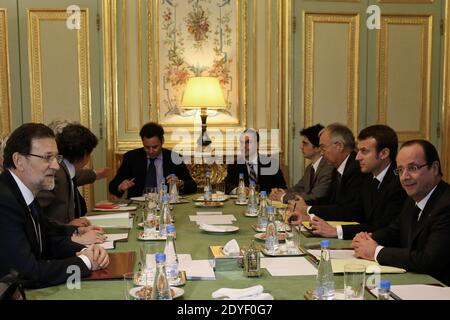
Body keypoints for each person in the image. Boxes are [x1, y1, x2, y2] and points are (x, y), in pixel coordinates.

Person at [0, 123, 109, 288]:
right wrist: (85, 262)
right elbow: (27, 273)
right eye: (47, 157)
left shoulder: (23, 192)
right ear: (19, 161)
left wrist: (87, 250)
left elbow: (47, 241)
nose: (56, 166)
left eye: (56, 158)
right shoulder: (4, 201)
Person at [352, 140, 450, 285]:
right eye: (400, 170)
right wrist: (367, 239)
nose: (405, 177)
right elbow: (395, 231)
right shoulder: (413, 198)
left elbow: (428, 260)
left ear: (434, 168)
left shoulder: (446, 205)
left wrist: (376, 252)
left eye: (413, 168)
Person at [310, 125, 407, 239]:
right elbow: (355, 212)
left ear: (384, 153)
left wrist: (337, 231)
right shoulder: (367, 177)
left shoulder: (399, 182)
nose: (357, 157)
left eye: (364, 151)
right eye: (358, 150)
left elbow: (384, 227)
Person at [36, 124, 107, 245]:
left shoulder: (66, 170)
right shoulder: (56, 174)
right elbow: (36, 213)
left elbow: (79, 176)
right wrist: (67, 226)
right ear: (85, 154)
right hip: (54, 244)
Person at [288, 123, 368, 222]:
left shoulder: (356, 168)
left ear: (339, 146)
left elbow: (349, 211)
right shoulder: (337, 168)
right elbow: (328, 200)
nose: (321, 153)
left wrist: (308, 209)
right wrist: (304, 207)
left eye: (323, 147)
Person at [109, 122, 197, 198]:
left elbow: (192, 186)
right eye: (147, 147)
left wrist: (180, 184)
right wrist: (120, 187)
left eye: (155, 147)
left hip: (167, 204)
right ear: (142, 142)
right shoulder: (131, 157)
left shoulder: (174, 157)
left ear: (162, 141)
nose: (151, 151)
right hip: (140, 206)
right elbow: (112, 187)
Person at [269, 124, 333, 204]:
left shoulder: (328, 168)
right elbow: (298, 188)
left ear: (318, 148)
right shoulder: (310, 168)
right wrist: (280, 192)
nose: (301, 147)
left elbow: (316, 196)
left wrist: (283, 197)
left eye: (305, 144)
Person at [224, 128, 287, 194]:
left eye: (248, 142)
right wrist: (238, 190)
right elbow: (227, 185)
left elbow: (282, 188)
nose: (244, 146)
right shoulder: (234, 165)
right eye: (242, 142)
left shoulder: (271, 164)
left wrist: (276, 191)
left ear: (257, 144)